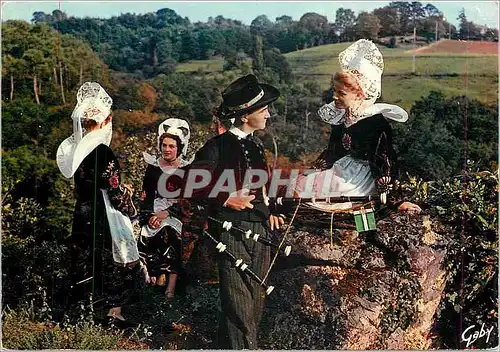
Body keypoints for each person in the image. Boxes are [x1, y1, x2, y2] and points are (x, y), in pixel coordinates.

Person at [181, 74, 285, 349]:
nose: (269, 115)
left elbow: (264, 187)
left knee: (255, 295)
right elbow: (190, 183)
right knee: (237, 298)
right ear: (244, 116)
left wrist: (271, 209)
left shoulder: (256, 147)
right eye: (264, 110)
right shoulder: (216, 147)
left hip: (260, 230)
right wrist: (226, 199)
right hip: (231, 231)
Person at [297, 39, 421, 213]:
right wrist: (315, 169)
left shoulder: (374, 122)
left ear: (359, 94)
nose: (334, 96)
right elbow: (334, 150)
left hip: (362, 176)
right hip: (343, 168)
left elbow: (384, 159)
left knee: (327, 190)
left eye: (341, 93)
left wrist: (394, 199)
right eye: (335, 91)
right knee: (303, 184)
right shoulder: (343, 116)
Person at [56, 82, 140, 325]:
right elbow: (113, 191)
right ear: (106, 120)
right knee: (111, 260)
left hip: (82, 212)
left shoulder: (77, 149)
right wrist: (128, 200)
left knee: (81, 260)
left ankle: (69, 314)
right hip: (103, 214)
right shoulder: (102, 151)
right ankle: (113, 313)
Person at [138, 118, 195, 300]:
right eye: (164, 145)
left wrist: (168, 213)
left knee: (169, 233)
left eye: (171, 146)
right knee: (142, 234)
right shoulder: (153, 168)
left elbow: (189, 200)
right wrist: (149, 216)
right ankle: (150, 282)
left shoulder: (187, 170)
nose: (167, 149)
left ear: (179, 148)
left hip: (176, 211)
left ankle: (169, 289)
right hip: (155, 209)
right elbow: (146, 195)